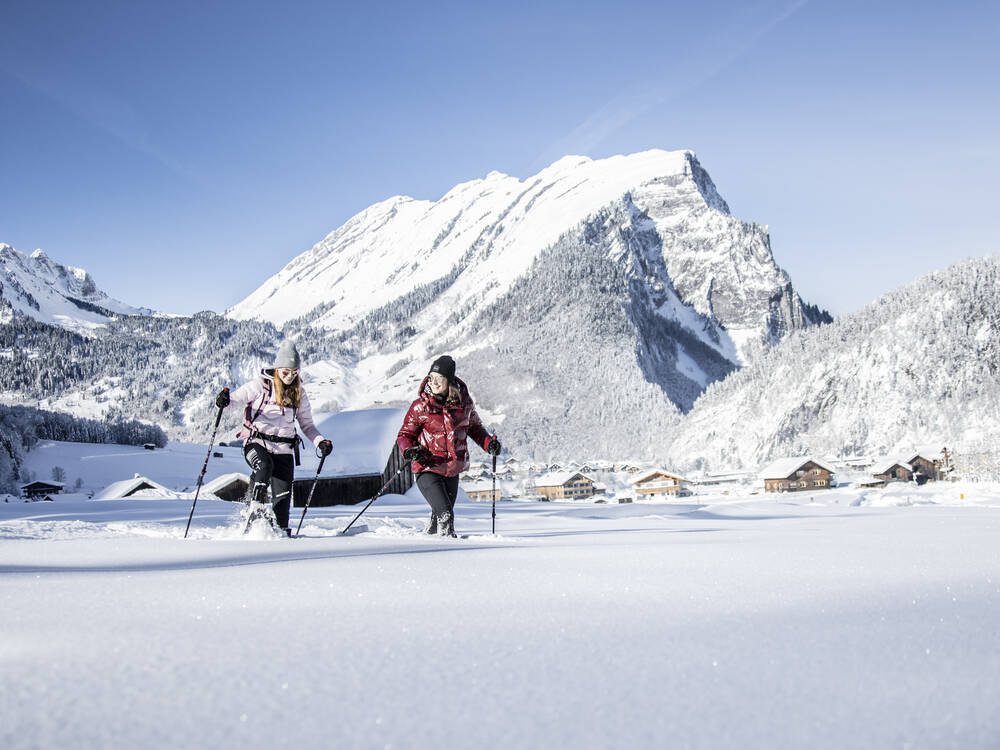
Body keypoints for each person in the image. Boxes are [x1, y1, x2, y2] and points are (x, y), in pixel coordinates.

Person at [215, 341, 332, 536]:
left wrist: (320, 442)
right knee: (264, 466)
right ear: (277, 369)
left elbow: (307, 425)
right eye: (286, 372)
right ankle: (254, 511)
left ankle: (280, 532)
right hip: (256, 442)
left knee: (283, 498)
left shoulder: (298, 393)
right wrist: (224, 400)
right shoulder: (260, 385)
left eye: (294, 373)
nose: (290, 376)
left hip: (284, 450)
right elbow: (234, 400)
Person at [397, 355, 501, 537]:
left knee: (438, 517)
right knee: (445, 514)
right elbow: (405, 435)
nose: (434, 382)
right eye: (431, 377)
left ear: (449, 380)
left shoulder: (464, 405)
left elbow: (475, 428)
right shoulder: (420, 406)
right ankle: (448, 552)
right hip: (427, 467)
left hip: (452, 470)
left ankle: (428, 539)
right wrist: (409, 450)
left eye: (439, 378)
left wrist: (488, 443)